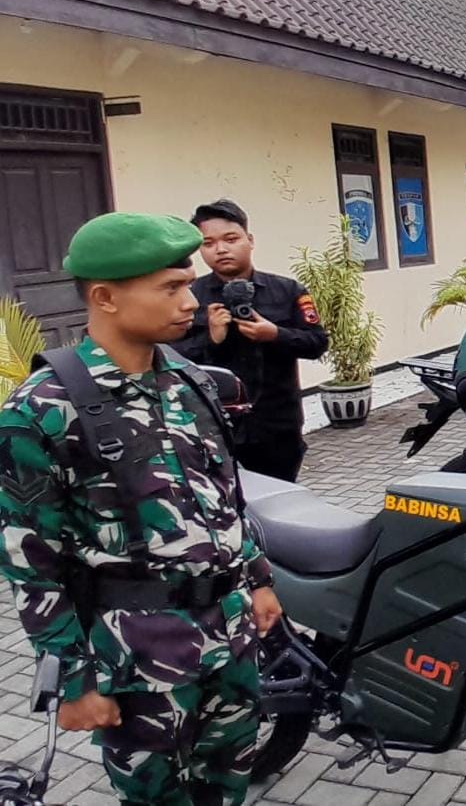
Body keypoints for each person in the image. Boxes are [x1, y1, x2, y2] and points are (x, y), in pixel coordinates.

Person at [0, 212, 282, 806]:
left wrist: (257, 580)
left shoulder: (187, 378)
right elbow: (31, 560)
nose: (190, 297)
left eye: (187, 282)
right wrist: (72, 682)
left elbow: (224, 493)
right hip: (139, 661)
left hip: (229, 640)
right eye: (171, 287)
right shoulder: (41, 410)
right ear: (104, 297)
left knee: (228, 786)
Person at [176, 199, 329, 482]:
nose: (221, 249)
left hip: (277, 424)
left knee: (280, 503)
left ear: (250, 239)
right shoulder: (189, 297)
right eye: (208, 243)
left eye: (231, 239)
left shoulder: (287, 290)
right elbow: (170, 357)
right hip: (212, 426)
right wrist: (210, 339)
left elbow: (318, 342)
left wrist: (275, 335)